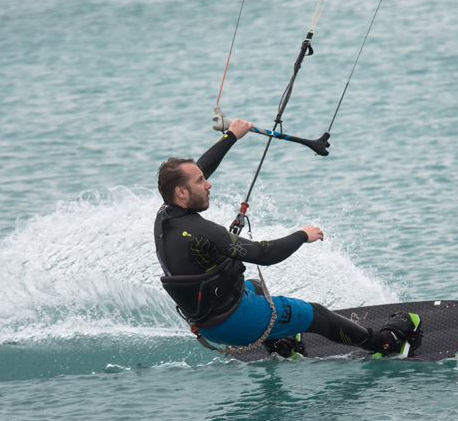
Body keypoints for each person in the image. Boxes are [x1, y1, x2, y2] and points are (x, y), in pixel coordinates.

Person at [154, 117, 416, 356]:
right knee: (316, 314)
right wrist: (302, 235)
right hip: (233, 323)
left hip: (207, 324)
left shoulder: (165, 218)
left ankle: (281, 343)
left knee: (255, 286)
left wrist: (231, 135)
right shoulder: (204, 232)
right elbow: (263, 254)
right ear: (182, 193)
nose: (208, 183)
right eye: (200, 181)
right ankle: (384, 343)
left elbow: (202, 167)